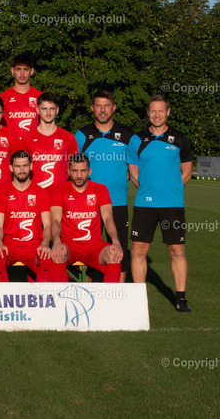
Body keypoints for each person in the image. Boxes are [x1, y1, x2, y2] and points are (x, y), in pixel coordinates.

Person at [127, 95, 193, 312]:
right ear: (148, 113)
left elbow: (186, 172)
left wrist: (169, 191)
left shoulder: (180, 139)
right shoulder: (137, 139)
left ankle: (180, 299)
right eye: (153, 111)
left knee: (177, 250)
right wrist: (149, 191)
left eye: (161, 111)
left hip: (172, 205)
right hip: (144, 205)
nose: (157, 115)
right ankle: (138, 299)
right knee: (138, 250)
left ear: (168, 112)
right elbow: (133, 172)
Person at [75, 90, 136, 281]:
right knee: (86, 253)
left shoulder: (128, 135)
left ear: (114, 108)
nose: (103, 110)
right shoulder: (82, 134)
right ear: (92, 108)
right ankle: (86, 293)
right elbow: (74, 168)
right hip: (87, 204)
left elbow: (134, 169)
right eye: (98, 105)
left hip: (117, 202)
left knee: (119, 252)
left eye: (107, 105)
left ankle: (118, 294)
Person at [50, 154, 123, 283]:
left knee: (114, 254)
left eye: (83, 171)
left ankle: (111, 295)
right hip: (70, 245)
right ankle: (62, 295)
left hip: (94, 245)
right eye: (75, 171)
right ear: (68, 172)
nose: (79, 175)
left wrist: (115, 241)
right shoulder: (60, 190)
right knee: (58, 254)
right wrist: (56, 241)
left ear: (89, 171)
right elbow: (55, 220)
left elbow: (108, 218)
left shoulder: (100, 189)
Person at [0, 150, 53, 282]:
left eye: (25, 166)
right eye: (18, 166)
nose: (22, 170)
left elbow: (47, 225)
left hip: (34, 245)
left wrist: (45, 243)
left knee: (46, 258)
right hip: (10, 245)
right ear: (11, 168)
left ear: (31, 166)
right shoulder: (3, 193)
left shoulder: (40, 192)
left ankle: (44, 295)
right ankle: (0, 295)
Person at [23, 92, 78, 190]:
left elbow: (75, 169)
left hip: (61, 195)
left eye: (52, 109)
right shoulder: (27, 138)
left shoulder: (68, 138)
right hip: (35, 195)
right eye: (44, 109)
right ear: (38, 110)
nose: (48, 113)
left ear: (57, 110)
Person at [0, 54, 42, 142]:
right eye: (18, 69)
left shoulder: (40, 97)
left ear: (32, 71)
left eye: (26, 69)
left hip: (34, 146)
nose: (22, 73)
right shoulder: (3, 98)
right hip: (10, 146)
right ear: (12, 71)